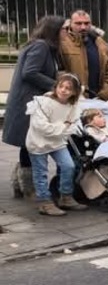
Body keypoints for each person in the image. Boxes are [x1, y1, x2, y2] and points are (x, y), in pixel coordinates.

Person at [4, 16, 65, 199]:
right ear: (54, 30)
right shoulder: (41, 46)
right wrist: (56, 86)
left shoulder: (44, 47)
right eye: (64, 29)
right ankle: (29, 188)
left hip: (29, 102)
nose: (66, 33)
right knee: (30, 143)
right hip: (28, 104)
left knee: (29, 144)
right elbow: (30, 72)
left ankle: (21, 181)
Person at [26, 73, 87, 216]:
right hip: (38, 141)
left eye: (68, 88)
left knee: (68, 166)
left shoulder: (73, 106)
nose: (64, 90)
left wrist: (63, 128)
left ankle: (65, 196)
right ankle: (44, 202)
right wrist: (62, 126)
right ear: (56, 87)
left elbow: (72, 125)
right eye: (61, 86)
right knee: (41, 173)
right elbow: (40, 126)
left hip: (57, 141)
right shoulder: (42, 103)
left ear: (74, 92)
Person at [59, 10, 108, 100]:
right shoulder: (62, 43)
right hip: (71, 100)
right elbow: (58, 71)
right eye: (78, 23)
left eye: (86, 23)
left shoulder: (100, 43)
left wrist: (106, 92)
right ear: (70, 24)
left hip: (97, 99)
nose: (83, 27)